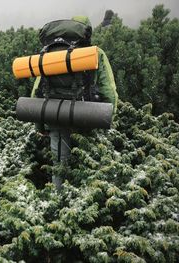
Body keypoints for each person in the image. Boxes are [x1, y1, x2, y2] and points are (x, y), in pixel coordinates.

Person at [31, 16, 118, 190]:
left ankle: (59, 200)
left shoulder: (49, 54)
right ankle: (84, 204)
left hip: (54, 116)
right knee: (87, 165)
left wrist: (40, 127)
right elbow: (109, 91)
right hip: (86, 116)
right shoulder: (95, 53)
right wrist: (109, 117)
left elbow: (37, 93)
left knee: (59, 165)